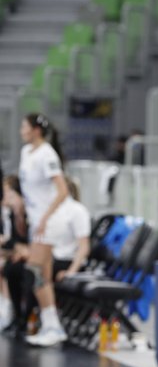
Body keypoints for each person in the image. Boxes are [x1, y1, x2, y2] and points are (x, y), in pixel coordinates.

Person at [18, 113, 69, 347]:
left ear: (36, 130)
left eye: (25, 126)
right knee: (44, 276)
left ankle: (53, 325)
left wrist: (45, 217)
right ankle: (51, 325)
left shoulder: (47, 154)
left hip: (47, 222)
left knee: (35, 270)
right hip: (35, 219)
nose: (21, 130)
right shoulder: (26, 153)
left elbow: (62, 191)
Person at [1, 175, 30, 336]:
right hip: (19, 255)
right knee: (10, 268)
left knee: (22, 270)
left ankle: (23, 317)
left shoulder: (29, 211)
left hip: (36, 255)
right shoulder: (12, 215)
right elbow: (13, 242)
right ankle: (16, 314)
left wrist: (23, 250)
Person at [50, 177, 91, 283]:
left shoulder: (77, 211)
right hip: (53, 259)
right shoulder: (51, 210)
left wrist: (70, 273)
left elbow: (84, 247)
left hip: (68, 262)